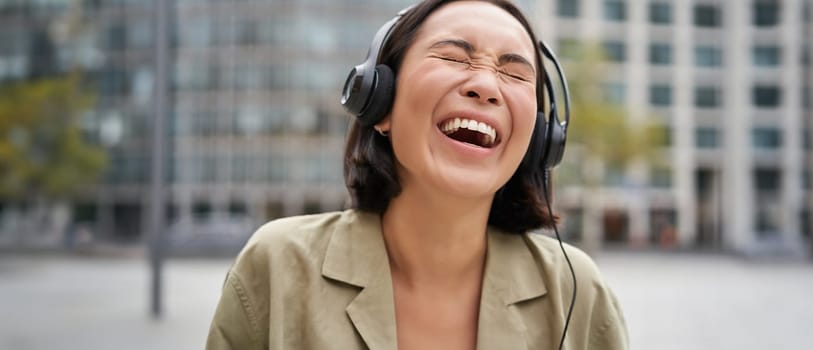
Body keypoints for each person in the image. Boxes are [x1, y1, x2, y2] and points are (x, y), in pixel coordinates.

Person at [206, 0, 628, 349]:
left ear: (538, 139)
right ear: (379, 101)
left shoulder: (577, 292)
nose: (485, 85)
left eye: (514, 73)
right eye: (451, 57)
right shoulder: (277, 266)